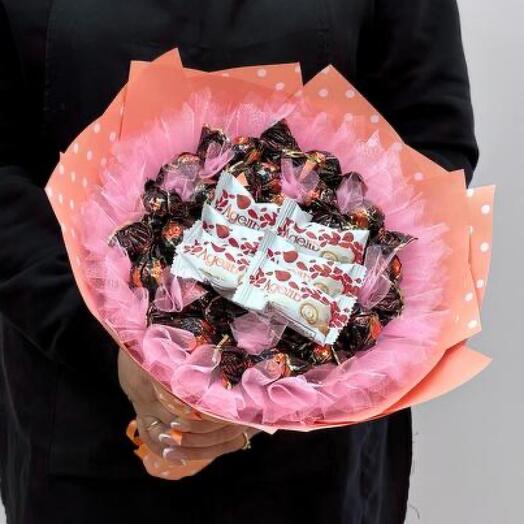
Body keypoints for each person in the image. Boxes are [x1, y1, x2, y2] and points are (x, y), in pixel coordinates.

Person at [0, 1, 477, 523]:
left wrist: (264, 385)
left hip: (315, 442)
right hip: (82, 428)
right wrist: (105, 344)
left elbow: (429, 146)